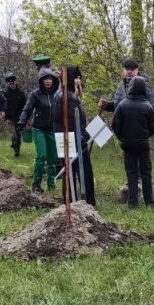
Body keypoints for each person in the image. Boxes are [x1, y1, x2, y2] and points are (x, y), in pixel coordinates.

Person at [53, 66, 95, 205]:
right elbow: (73, 121)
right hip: (72, 139)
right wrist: (84, 138)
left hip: (68, 138)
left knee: (70, 170)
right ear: (71, 79)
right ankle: (83, 202)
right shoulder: (66, 97)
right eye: (77, 78)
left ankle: (71, 200)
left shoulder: (65, 94)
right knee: (79, 171)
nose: (79, 80)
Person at [112, 76, 154, 207]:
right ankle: (149, 202)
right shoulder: (148, 106)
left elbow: (115, 125)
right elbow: (152, 128)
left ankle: (132, 202)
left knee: (131, 172)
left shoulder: (122, 105)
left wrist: (122, 137)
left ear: (130, 88)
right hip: (143, 144)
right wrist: (144, 136)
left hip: (128, 144)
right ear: (143, 89)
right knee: (146, 172)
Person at [17, 68, 61, 193]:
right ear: (41, 81)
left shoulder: (57, 94)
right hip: (39, 129)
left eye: (50, 79)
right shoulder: (35, 94)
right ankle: (36, 184)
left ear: (53, 80)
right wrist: (22, 121)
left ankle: (51, 184)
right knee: (42, 156)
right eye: (45, 79)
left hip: (53, 129)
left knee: (53, 158)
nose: (48, 81)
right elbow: (27, 109)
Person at [2, 73, 27, 157]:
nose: (12, 85)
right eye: (10, 84)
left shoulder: (21, 93)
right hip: (9, 117)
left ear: (15, 83)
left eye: (13, 83)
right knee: (13, 133)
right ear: (8, 84)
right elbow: (3, 105)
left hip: (19, 117)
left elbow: (25, 105)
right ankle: (15, 146)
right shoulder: (6, 94)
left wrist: (25, 117)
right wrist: (4, 115)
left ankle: (17, 148)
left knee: (18, 133)